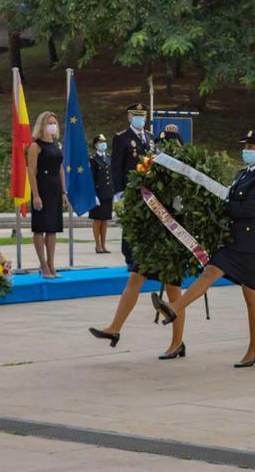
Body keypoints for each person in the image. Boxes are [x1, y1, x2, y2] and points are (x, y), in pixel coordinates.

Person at [152, 131, 255, 367]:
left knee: (251, 298)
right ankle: (175, 307)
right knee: (210, 272)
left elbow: (248, 209)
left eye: (251, 146)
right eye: (246, 145)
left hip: (252, 245)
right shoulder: (242, 174)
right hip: (235, 242)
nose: (246, 149)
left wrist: (224, 206)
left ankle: (253, 350)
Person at [88, 102, 189, 361]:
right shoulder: (150, 169)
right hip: (150, 234)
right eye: (162, 145)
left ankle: (177, 342)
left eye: (170, 146)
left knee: (173, 288)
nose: (165, 150)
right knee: (135, 277)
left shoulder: (183, 174)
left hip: (169, 236)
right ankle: (114, 328)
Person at [27, 111, 69, 279]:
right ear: (42, 125)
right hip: (41, 187)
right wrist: (36, 195)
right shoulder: (35, 146)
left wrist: (64, 191)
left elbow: (61, 169)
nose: (53, 126)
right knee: (40, 228)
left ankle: (51, 263)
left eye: (54, 123)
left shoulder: (57, 145)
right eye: (49, 123)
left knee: (52, 228)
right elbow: (31, 171)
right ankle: (43, 264)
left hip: (55, 188)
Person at [89, 134, 113, 254]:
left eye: (104, 141)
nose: (103, 144)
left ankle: (103, 244)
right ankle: (97, 245)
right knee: (97, 220)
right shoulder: (93, 160)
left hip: (107, 193)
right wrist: (93, 195)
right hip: (97, 194)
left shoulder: (108, 158)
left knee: (105, 220)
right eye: (100, 142)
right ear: (96, 145)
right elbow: (91, 178)